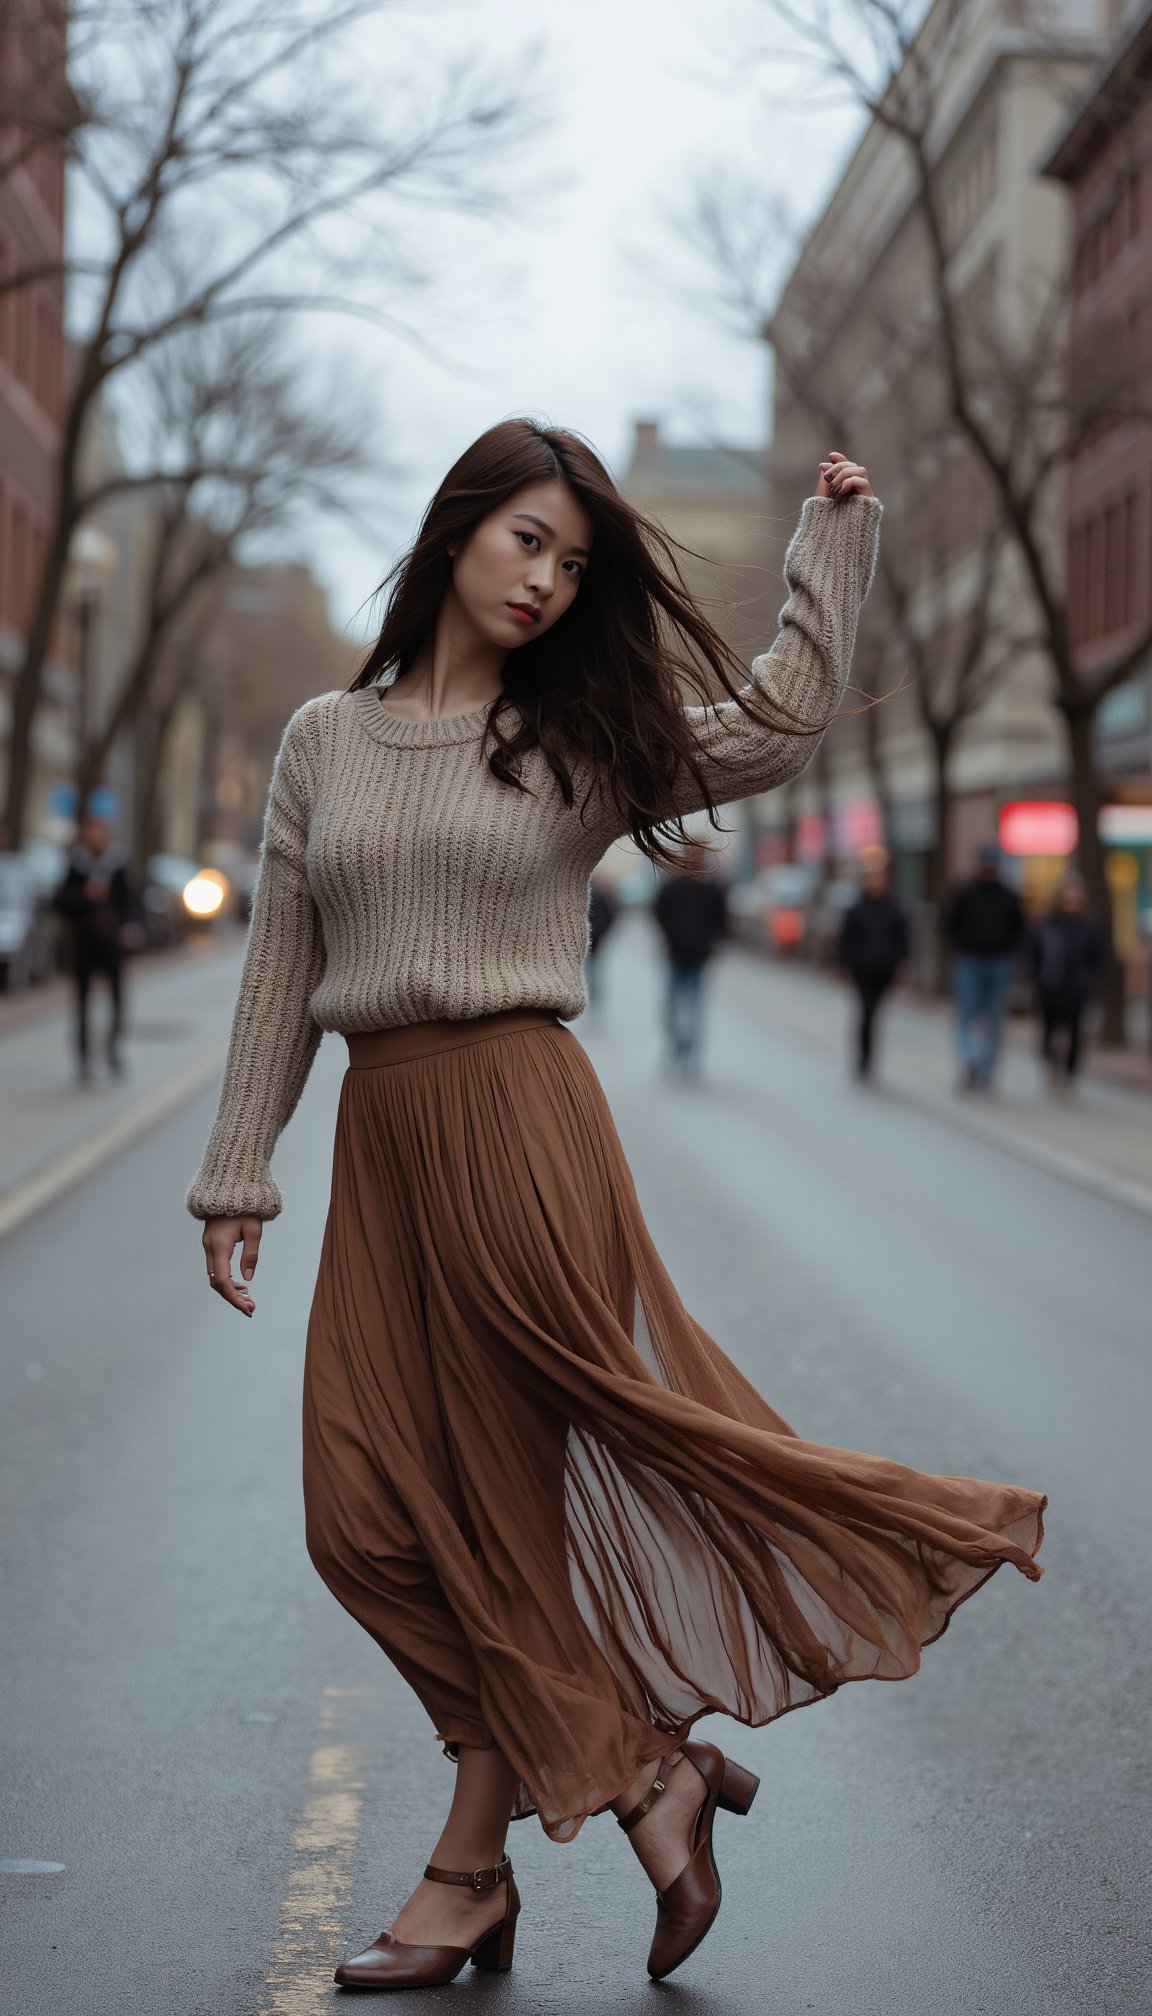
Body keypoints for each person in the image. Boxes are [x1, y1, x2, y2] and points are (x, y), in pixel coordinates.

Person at [185, 426, 1045, 1990]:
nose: (548, 578)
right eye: (528, 541)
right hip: (384, 1131)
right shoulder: (325, 737)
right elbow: (279, 968)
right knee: (363, 1518)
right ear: (456, 532)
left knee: (504, 1516)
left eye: (574, 561)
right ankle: (647, 1773)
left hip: (520, 1123)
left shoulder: (572, 733)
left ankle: (470, 1872)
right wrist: (238, 1168)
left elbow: (778, 727)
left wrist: (829, 548)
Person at [52, 812, 141, 1081]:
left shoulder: (118, 864)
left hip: (112, 943)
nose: (95, 838)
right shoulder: (76, 864)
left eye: (99, 833)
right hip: (83, 944)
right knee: (81, 1003)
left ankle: (112, 1052)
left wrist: (131, 928)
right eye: (91, 833)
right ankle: (83, 1059)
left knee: (116, 999)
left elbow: (131, 902)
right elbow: (60, 901)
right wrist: (84, 896)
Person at [943, 841, 1026, 1092]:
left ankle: (986, 1069)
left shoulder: (1009, 896)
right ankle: (970, 1061)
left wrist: (1009, 951)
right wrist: (960, 946)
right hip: (969, 960)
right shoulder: (965, 892)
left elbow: (1020, 928)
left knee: (994, 1018)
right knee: (967, 1013)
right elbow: (948, 923)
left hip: (999, 962)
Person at [652, 838, 729, 1077]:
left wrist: (712, 941)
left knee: (688, 1006)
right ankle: (681, 1049)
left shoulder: (710, 888)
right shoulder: (674, 886)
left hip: (696, 956)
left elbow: (722, 920)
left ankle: (688, 1055)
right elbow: (658, 913)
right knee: (675, 1007)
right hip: (680, 954)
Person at [1028, 871, 1107, 1090]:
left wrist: (1090, 982)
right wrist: (1036, 979)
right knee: (1049, 1030)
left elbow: (1098, 958)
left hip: (1077, 989)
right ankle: (1051, 1064)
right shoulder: (1047, 924)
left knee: (1075, 1032)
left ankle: (1070, 1073)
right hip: (1050, 986)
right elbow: (1033, 953)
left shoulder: (1091, 926)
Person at [835, 856, 909, 1079]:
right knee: (867, 1012)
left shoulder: (894, 909)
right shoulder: (856, 909)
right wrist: (844, 965)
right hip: (862, 969)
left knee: (875, 1013)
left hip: (884, 969)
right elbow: (846, 940)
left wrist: (903, 963)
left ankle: (869, 1055)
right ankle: (864, 1057)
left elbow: (902, 939)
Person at [583, 869, 619, 1014]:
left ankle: (594, 993)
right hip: (586, 941)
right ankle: (589, 992)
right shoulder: (586, 897)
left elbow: (611, 917)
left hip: (597, 941)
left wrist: (602, 931)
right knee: (588, 970)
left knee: (595, 970)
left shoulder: (604, 899)